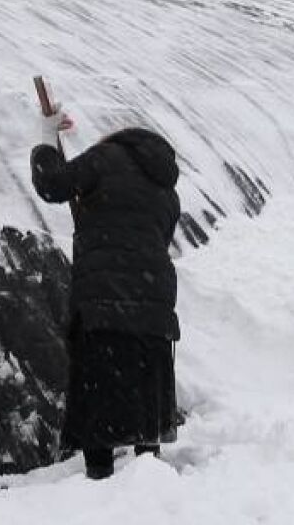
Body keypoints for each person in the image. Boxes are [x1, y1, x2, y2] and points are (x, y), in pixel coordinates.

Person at [31, 105, 182, 480]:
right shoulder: (166, 190)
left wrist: (44, 140)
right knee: (146, 399)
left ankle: (100, 482)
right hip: (155, 307)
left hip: (103, 303)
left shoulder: (105, 158)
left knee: (97, 400)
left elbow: (53, 184)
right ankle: (151, 482)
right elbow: (153, 239)